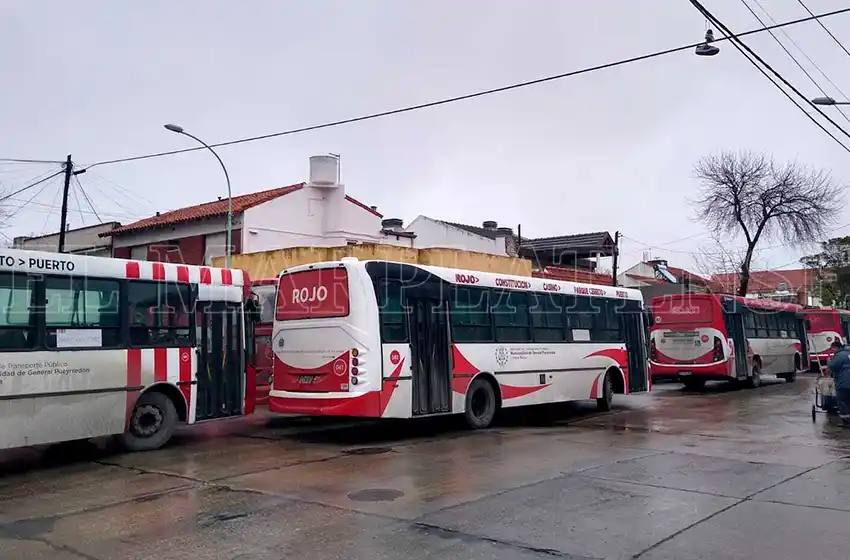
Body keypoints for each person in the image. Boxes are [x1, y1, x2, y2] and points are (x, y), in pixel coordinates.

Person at [826, 339, 850, 427]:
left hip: (843, 383)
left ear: (836, 348)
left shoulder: (839, 356)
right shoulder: (848, 353)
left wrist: (828, 361)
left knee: (842, 401)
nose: (832, 351)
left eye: (832, 349)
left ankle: (846, 422)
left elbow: (833, 367)